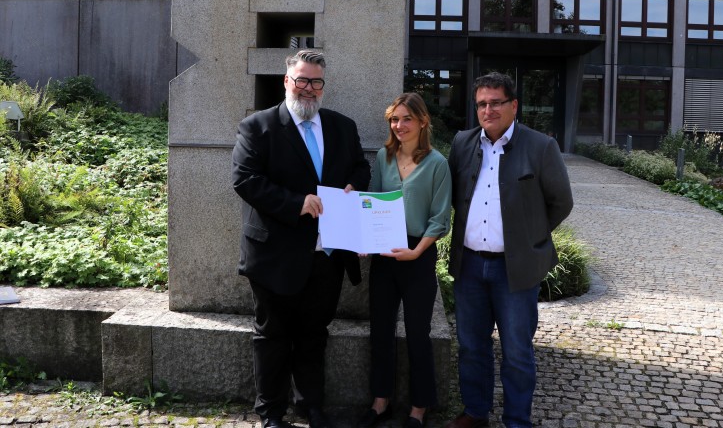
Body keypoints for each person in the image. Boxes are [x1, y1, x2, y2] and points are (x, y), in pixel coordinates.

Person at [232, 50, 371, 428]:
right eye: (302, 80)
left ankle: (311, 406)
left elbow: (361, 167)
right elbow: (246, 180)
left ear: (324, 86)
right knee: (272, 336)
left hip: (327, 255)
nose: (309, 89)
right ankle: (271, 413)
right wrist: (297, 203)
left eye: (316, 82)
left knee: (314, 336)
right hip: (274, 255)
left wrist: (352, 186)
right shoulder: (256, 127)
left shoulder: (342, 126)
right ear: (286, 81)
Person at [445, 72, 573, 428]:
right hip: (469, 265)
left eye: (496, 103)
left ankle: (517, 420)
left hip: (514, 270)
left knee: (517, 351)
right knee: (472, 346)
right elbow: (452, 194)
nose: (488, 110)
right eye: (482, 104)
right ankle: (475, 412)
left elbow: (561, 201)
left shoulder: (540, 146)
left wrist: (529, 239)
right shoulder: (462, 143)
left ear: (513, 106)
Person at [358, 93, 452, 428]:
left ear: (423, 121)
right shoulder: (384, 157)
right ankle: (380, 400)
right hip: (384, 254)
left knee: (417, 334)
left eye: (406, 119)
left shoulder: (438, 163)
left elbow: (441, 219)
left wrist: (416, 251)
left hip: (418, 255)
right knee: (380, 331)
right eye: (394, 119)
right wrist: (365, 238)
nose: (399, 126)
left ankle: (419, 407)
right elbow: (372, 200)